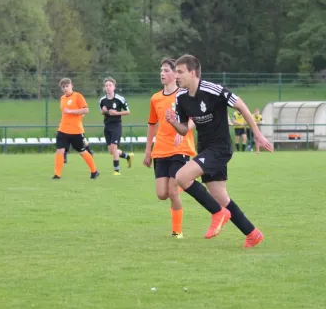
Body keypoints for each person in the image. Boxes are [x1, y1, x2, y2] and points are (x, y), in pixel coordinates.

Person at [165, 54, 273, 248]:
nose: (176, 76)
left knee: (181, 177)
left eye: (180, 72)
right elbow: (183, 128)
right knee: (220, 197)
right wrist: (173, 122)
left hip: (220, 147)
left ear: (193, 72)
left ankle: (218, 213)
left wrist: (256, 133)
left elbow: (241, 106)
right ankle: (252, 233)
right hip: (205, 148)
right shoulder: (181, 97)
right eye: (175, 72)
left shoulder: (212, 90)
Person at [143, 58, 197, 239]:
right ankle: (184, 183)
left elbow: (194, 118)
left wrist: (183, 131)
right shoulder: (155, 98)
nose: (162, 73)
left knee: (173, 192)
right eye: (161, 70)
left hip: (180, 149)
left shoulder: (184, 95)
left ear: (175, 74)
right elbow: (151, 125)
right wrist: (148, 151)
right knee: (162, 194)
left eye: (166, 70)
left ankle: (177, 232)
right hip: (160, 150)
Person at [52, 78, 99, 180]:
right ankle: (57, 175)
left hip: (76, 131)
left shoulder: (78, 96)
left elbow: (86, 110)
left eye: (67, 86)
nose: (65, 88)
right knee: (60, 150)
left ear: (71, 86)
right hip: (63, 129)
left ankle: (94, 171)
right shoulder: (62, 98)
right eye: (63, 87)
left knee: (82, 152)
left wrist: (72, 111)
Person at [99, 77, 134, 175]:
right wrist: (104, 111)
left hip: (116, 125)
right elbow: (101, 112)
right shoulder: (102, 100)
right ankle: (127, 156)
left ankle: (116, 170)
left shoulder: (119, 99)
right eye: (106, 86)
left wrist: (116, 113)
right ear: (104, 88)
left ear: (114, 87)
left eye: (110, 85)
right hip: (107, 126)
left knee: (114, 148)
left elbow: (128, 112)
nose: (108, 87)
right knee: (111, 151)